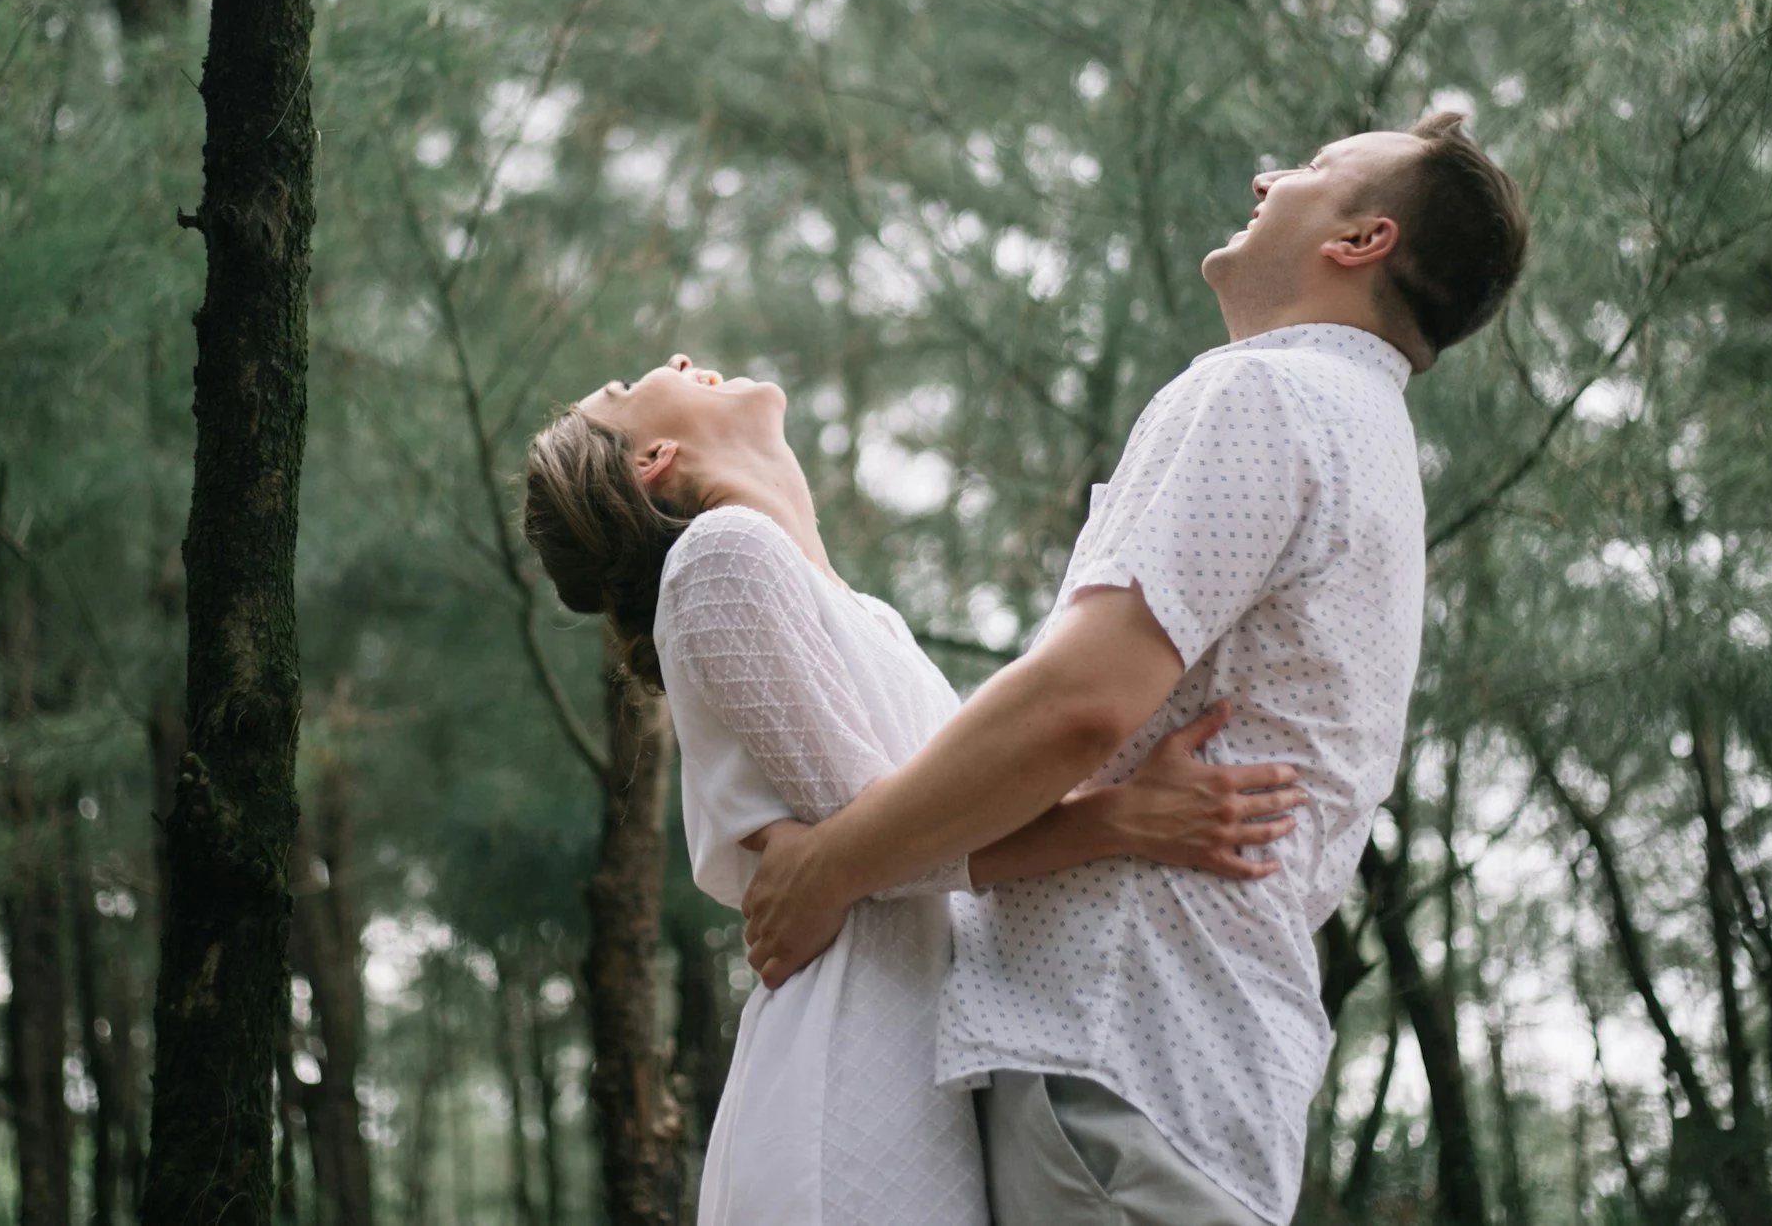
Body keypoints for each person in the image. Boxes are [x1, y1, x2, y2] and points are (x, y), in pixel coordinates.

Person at [740, 111, 1530, 1226]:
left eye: (1309, 170)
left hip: (1121, 1046)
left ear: (1359, 240)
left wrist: (828, 865)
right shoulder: (1367, 437)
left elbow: (1075, 705)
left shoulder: (1264, 393)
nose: (1269, 175)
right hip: (1185, 1065)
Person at [523, 357, 1309, 1226]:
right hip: (850, 1081)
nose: (669, 361)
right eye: (627, 392)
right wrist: (1120, 819)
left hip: (923, 1060)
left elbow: (899, 837)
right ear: (654, 458)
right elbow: (888, 849)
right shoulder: (720, 557)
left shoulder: (864, 614)